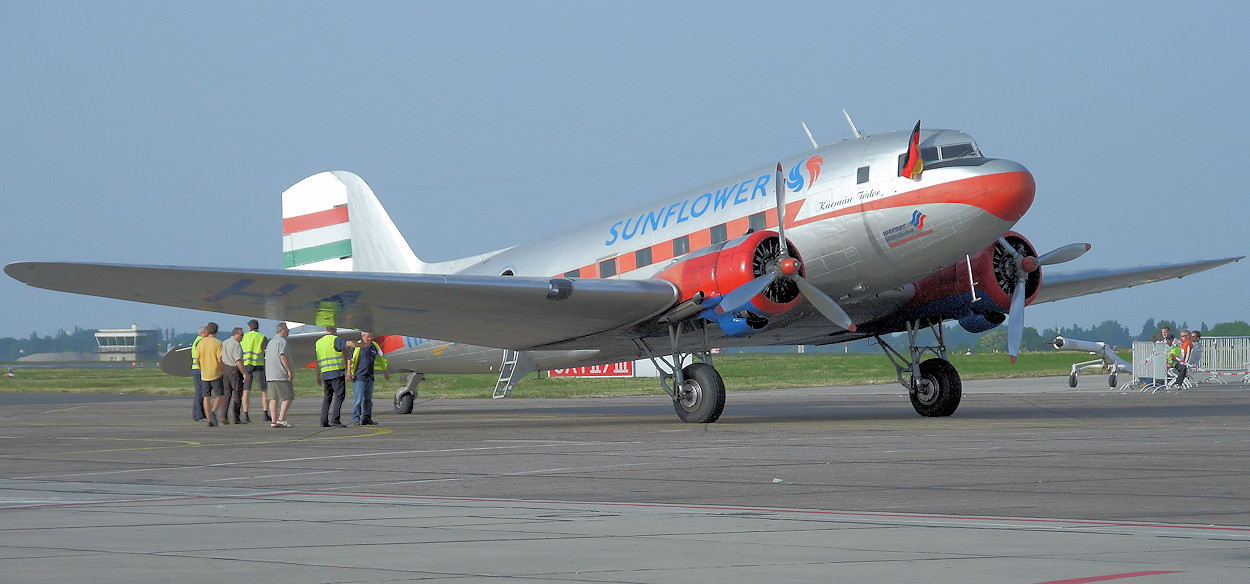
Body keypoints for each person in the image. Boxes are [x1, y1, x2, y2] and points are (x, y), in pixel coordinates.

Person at [347, 332, 390, 425]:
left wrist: (385, 371)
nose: (370, 339)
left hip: (370, 377)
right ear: (363, 337)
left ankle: (367, 418)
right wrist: (349, 373)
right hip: (359, 377)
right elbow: (350, 360)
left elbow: (381, 358)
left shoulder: (375, 346)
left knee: (368, 399)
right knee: (358, 400)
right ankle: (355, 419)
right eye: (368, 337)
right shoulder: (357, 345)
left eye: (371, 337)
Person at [315, 326, 353, 428]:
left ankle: (323, 420)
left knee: (327, 397)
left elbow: (317, 361)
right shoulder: (335, 340)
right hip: (336, 372)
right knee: (339, 396)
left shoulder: (319, 342)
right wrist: (360, 344)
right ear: (334, 330)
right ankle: (335, 419)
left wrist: (317, 375)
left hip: (325, 373)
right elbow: (347, 344)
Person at [265, 322, 294, 428]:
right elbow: (282, 356)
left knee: (274, 398)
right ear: (281, 330)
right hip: (280, 374)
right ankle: (281, 418)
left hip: (270, 374)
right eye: (286, 329)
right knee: (288, 397)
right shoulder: (282, 341)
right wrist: (289, 371)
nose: (288, 331)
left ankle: (273, 420)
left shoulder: (271, 341)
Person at [197, 322, 225, 426]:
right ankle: (213, 412)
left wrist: (201, 369)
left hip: (204, 373)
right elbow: (219, 359)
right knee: (219, 395)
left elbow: (197, 359)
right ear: (216, 331)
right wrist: (223, 369)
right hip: (216, 372)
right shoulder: (218, 343)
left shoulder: (201, 343)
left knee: (206, 397)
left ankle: (209, 419)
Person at [241, 319, 268, 422]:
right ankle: (265, 413)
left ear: (249, 327)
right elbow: (265, 351)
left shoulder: (245, 337)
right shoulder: (261, 337)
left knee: (246, 390)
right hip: (258, 365)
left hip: (246, 365)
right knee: (264, 390)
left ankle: (246, 413)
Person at [221, 327, 249, 424]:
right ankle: (236, 418)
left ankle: (223, 416)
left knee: (226, 394)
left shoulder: (224, 343)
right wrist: (244, 373)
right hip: (234, 370)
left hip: (225, 369)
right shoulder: (236, 345)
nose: (242, 337)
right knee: (237, 394)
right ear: (236, 334)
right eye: (241, 335)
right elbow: (238, 361)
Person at [191, 326, 207, 422]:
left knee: (199, 392)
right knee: (200, 392)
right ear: (202, 333)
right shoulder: (200, 342)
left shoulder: (197, 341)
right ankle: (199, 415)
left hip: (197, 369)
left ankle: (196, 414)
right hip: (199, 369)